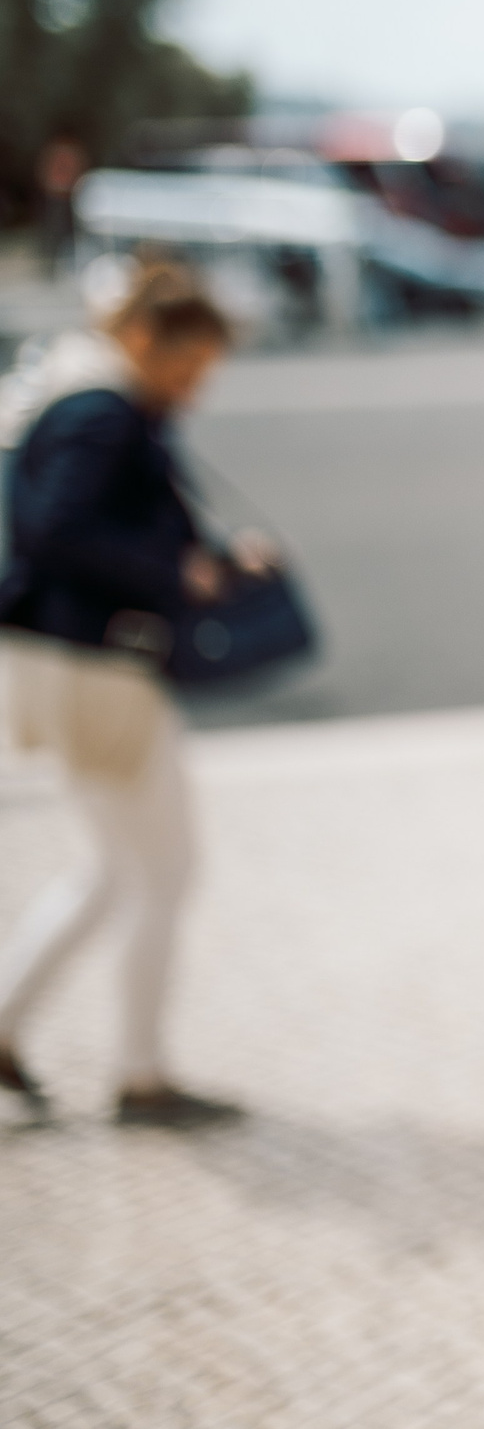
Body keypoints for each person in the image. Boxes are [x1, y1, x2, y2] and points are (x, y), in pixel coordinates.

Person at [0, 259, 254, 1128]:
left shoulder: (80, 396)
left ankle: (14, 1023)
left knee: (116, 867)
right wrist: (172, 570)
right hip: (97, 665)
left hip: (67, 661)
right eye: (187, 368)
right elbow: (54, 529)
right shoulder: (102, 414)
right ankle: (140, 1071)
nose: (193, 388)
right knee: (162, 868)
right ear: (145, 339)